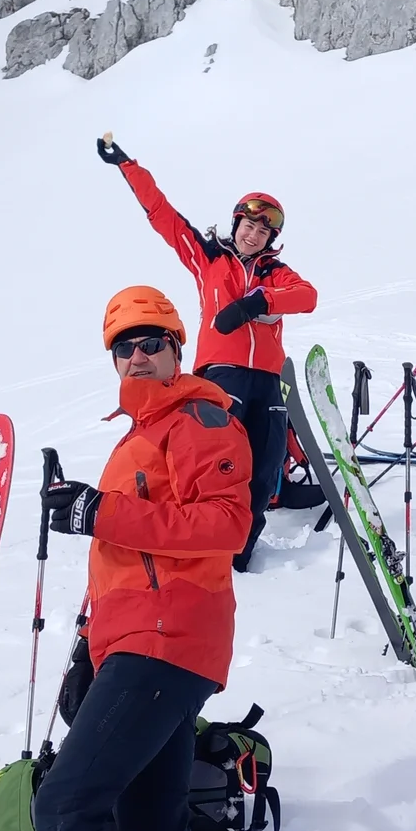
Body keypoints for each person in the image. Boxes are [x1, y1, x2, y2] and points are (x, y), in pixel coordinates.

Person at [31, 285, 252, 831]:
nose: (136, 355)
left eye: (150, 340)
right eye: (122, 347)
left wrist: (102, 511)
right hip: (142, 645)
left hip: (166, 641)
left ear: (177, 347)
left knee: (65, 804)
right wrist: (88, 644)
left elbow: (224, 524)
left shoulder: (199, 418)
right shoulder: (136, 437)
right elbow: (131, 554)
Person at [97, 135, 317, 571]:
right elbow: (163, 216)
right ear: (235, 224)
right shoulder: (209, 258)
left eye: (262, 230)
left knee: (265, 465)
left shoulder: (276, 274)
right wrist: (128, 166)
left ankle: (240, 555)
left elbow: (307, 296)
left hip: (269, 380)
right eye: (247, 225)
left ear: (270, 237)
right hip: (221, 376)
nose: (252, 234)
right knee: (219, 463)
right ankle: (202, 545)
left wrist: (256, 303)